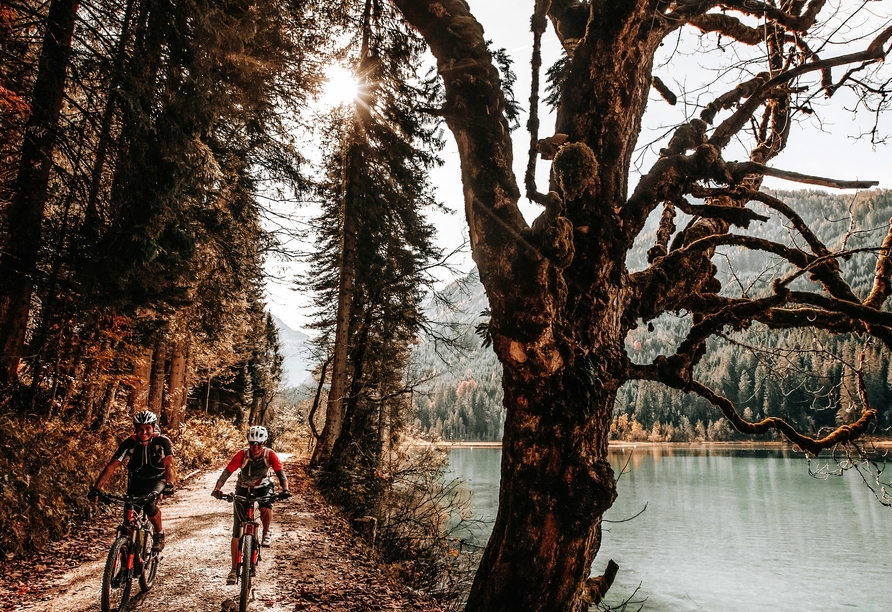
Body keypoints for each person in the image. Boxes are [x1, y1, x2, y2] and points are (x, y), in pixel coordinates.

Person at [211, 425, 291, 585]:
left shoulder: (270, 455)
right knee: (236, 531)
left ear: (264, 442)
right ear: (248, 442)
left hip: (263, 487)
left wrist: (285, 490)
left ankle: (266, 532)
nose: (255, 447)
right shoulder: (242, 455)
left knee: (266, 507)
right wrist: (217, 489)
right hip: (243, 487)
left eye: (259, 444)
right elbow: (227, 471)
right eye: (252, 443)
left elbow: (280, 473)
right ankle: (234, 570)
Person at [88, 410, 177, 552]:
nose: (144, 432)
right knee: (128, 520)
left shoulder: (162, 442)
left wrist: (169, 485)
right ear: (135, 429)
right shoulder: (129, 443)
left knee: (149, 506)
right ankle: (130, 560)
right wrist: (97, 488)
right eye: (140, 429)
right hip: (136, 480)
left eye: (147, 428)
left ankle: (159, 535)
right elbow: (111, 466)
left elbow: (168, 465)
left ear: (153, 427)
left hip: (157, 480)